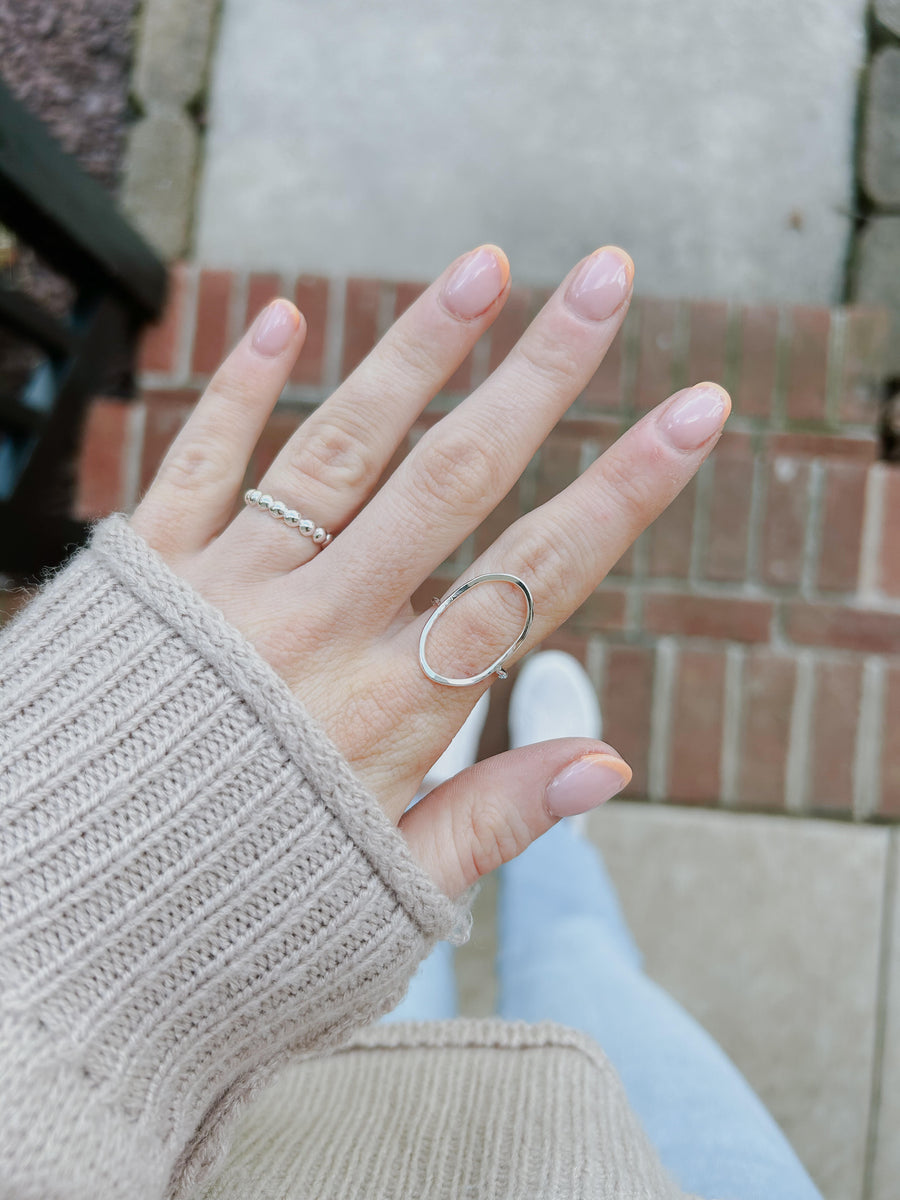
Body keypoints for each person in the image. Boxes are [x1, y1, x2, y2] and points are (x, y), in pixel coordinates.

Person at [0, 243, 822, 1199]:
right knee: (586, 959)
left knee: (415, 976)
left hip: (298, 1137)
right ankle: (545, 845)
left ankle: (458, 799)